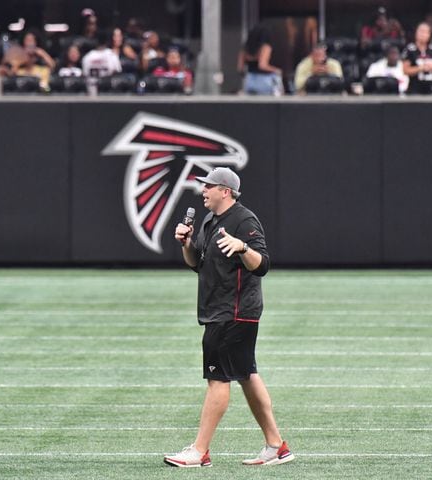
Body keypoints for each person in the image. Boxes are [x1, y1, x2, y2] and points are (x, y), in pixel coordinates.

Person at [166, 167, 294, 469]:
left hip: (233, 312)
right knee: (247, 375)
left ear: (226, 191)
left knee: (218, 379)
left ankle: (200, 451)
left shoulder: (244, 219)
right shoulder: (211, 220)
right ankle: (276, 446)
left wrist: (243, 246)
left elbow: (262, 264)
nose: (203, 191)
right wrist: (187, 244)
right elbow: (197, 263)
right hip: (220, 309)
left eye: (208, 186)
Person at [237, 25, 283, 95]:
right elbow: (262, 65)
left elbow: (240, 68)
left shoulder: (245, 47)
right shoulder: (265, 46)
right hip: (265, 80)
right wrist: (276, 70)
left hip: (250, 79)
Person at [402, 22, 432, 94]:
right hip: (415, 88)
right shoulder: (410, 49)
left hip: (431, 87)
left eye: (425, 32)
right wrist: (420, 68)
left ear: (429, 35)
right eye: (421, 31)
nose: (423, 34)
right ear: (416, 33)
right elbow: (405, 70)